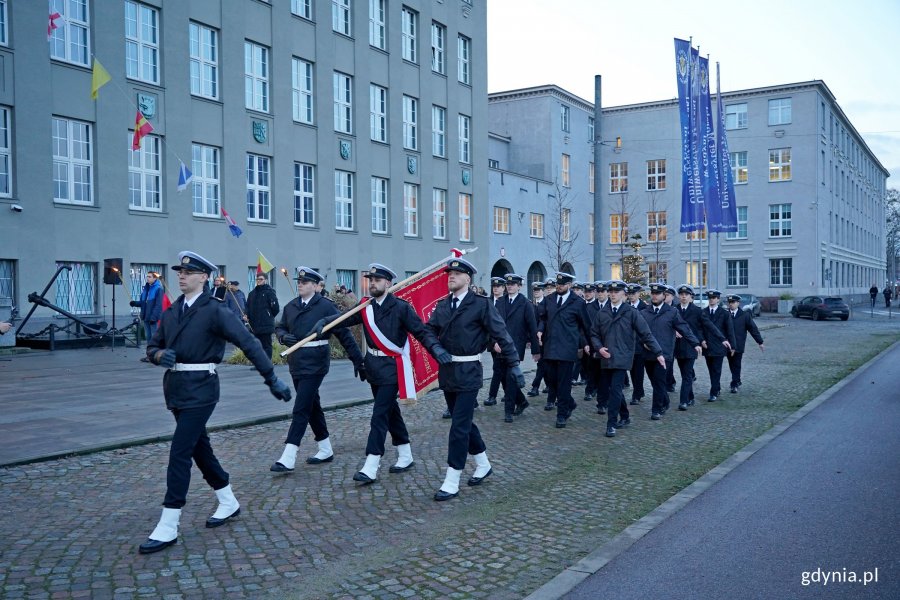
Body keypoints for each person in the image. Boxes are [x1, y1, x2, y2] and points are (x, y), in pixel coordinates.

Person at [139, 251, 292, 555]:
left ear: (204, 277)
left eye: (188, 272)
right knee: (199, 448)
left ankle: (168, 524)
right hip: (176, 389)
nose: (181, 276)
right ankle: (228, 500)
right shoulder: (172, 312)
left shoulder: (215, 310)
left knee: (180, 451)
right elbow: (153, 345)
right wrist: (159, 356)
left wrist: (271, 378)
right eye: (179, 272)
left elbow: (248, 343)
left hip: (202, 389)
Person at [312, 263, 449, 484]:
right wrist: (324, 323)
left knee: (379, 415)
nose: (372, 283)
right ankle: (405, 454)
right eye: (370, 279)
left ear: (388, 283)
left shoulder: (401, 308)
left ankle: (371, 463)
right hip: (373, 367)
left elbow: (422, 332)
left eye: (377, 280)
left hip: (393, 368)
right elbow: (344, 319)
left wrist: (436, 349)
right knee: (390, 411)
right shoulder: (365, 306)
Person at [426, 257, 523, 501]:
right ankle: (483, 464)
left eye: (456, 275)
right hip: (448, 372)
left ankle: (452, 478)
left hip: (469, 371)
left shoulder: (480, 305)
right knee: (465, 422)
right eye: (449, 274)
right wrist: (435, 348)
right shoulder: (442, 305)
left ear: (467, 279)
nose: (451, 277)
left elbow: (501, 333)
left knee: (458, 426)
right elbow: (428, 330)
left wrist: (514, 365)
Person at [271, 267, 364, 473]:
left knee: (301, 406)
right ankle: (325, 448)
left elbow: (344, 334)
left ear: (315, 286)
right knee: (312, 405)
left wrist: (358, 360)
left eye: (305, 282)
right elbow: (280, 327)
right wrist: (283, 337)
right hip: (296, 362)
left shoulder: (325, 307)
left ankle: (289, 455)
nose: (300, 284)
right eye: (299, 282)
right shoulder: (291, 306)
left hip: (316, 363)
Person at [590, 280, 664, 437]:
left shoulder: (631, 312)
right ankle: (625, 415)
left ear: (623, 294)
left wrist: (658, 352)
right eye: (610, 292)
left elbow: (646, 334)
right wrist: (599, 347)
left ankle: (611, 424)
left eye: (616, 292)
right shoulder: (602, 313)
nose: (612, 294)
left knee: (616, 389)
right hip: (606, 355)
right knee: (611, 388)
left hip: (623, 357)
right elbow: (594, 333)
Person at [535, 272, 591, 428]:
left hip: (567, 348)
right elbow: (543, 318)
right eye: (557, 285)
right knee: (551, 380)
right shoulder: (549, 300)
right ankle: (570, 403)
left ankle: (562, 414)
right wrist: (540, 330)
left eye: (562, 285)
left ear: (569, 285)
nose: (558, 287)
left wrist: (587, 344)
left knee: (564, 383)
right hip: (550, 346)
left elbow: (585, 326)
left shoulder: (578, 303)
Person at [640, 283, 700, 420]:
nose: (654, 296)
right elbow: (638, 332)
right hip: (648, 354)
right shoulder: (644, 312)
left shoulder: (671, 312)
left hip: (665, 353)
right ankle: (665, 401)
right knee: (654, 382)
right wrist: (643, 342)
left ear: (664, 295)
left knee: (660, 381)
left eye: (657, 294)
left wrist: (695, 343)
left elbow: (684, 328)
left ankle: (656, 409)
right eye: (653, 293)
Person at [494, 273, 540, 422]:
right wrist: (493, 342)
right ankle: (521, 401)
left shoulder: (526, 303)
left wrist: (535, 350)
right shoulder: (500, 302)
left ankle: (509, 411)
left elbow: (532, 327)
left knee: (511, 378)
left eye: (513, 284)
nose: (510, 286)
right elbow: (492, 324)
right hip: (499, 346)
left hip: (515, 347)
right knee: (502, 378)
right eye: (508, 284)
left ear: (519, 286)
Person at [673, 285, 725, 411]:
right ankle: (690, 397)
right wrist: (673, 331)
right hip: (678, 347)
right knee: (685, 374)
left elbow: (709, 325)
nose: (683, 296)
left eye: (686, 294)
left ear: (691, 296)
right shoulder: (673, 310)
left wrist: (722, 338)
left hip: (692, 347)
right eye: (681, 294)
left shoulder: (697, 311)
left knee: (686, 374)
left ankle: (683, 401)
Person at [726, 294, 765, 393]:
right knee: (731, 363)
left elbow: (753, 329)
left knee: (736, 364)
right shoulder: (725, 315)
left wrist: (759, 342)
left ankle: (734, 384)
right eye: (729, 302)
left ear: (738, 303)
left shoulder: (744, 315)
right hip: (728, 345)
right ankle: (737, 380)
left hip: (739, 344)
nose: (731, 304)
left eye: (733, 302)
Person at [702, 289, 735, 403]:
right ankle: (717, 387)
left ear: (718, 299)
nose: (711, 300)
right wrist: (701, 340)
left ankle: (713, 392)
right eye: (710, 298)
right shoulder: (703, 312)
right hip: (707, 345)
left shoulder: (724, 313)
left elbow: (730, 330)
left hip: (720, 345)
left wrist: (733, 346)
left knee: (717, 369)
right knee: (711, 369)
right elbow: (700, 328)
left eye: (714, 298)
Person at [130, 271, 164, 360]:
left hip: (152, 318)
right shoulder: (146, 288)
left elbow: (158, 305)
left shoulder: (158, 289)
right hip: (145, 316)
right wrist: (135, 303)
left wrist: (154, 317)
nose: (147, 278)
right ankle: (149, 355)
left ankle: (155, 356)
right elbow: (143, 303)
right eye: (147, 276)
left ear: (155, 278)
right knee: (148, 337)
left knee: (154, 338)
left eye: (149, 277)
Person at [246, 273, 280, 359]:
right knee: (257, 345)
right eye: (257, 279)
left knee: (266, 345)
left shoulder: (270, 292)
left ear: (265, 280)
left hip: (266, 324)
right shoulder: (252, 293)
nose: (258, 281)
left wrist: (268, 315)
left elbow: (275, 308)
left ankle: (267, 363)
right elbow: (247, 307)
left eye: (261, 279)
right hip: (254, 324)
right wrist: (246, 315)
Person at [485, 276, 508, 407]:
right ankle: (507, 393)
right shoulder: (487, 301)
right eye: (494, 286)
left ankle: (492, 396)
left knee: (498, 369)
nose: (495, 289)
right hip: (491, 342)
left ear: (503, 288)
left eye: (498, 287)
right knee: (500, 369)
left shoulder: (506, 302)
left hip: (502, 342)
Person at [626, 283, 648, 406]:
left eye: (633, 294)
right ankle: (639, 391)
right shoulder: (625, 307)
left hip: (640, 344)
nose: (631, 296)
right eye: (629, 294)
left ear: (639, 294)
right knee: (632, 370)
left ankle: (637, 394)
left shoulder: (644, 307)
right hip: (628, 344)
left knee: (638, 371)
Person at [527, 281, 547, 398]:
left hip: (546, 339)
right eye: (534, 290)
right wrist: (529, 339)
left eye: (538, 290)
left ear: (542, 291)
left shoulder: (547, 303)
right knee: (543, 364)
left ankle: (535, 386)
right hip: (536, 339)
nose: (536, 292)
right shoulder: (531, 305)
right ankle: (548, 385)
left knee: (542, 363)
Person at [663, 285, 679, 392]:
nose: (665, 297)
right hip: (664, 340)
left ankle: (670, 381)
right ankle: (669, 382)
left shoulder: (676, 309)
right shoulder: (659, 308)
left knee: (672, 362)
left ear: (672, 297)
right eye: (664, 294)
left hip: (676, 340)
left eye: (667, 295)